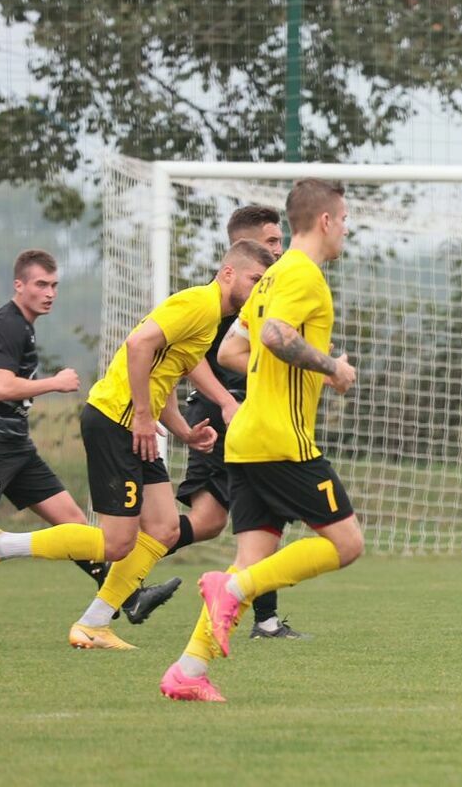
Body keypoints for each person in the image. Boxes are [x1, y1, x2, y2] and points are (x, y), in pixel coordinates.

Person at [0, 240, 273, 649]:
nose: (258, 290)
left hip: (135, 426)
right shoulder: (200, 303)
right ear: (229, 273)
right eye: (255, 280)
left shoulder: (212, 316)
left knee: (164, 529)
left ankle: (94, 624)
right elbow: (138, 345)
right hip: (115, 421)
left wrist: (183, 430)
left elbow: (167, 371)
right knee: (116, 542)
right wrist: (144, 416)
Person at [160, 178, 361, 703]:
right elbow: (274, 336)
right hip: (279, 438)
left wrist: (297, 371)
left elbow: (232, 350)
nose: (346, 229)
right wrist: (331, 368)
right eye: (344, 220)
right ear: (325, 221)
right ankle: (232, 591)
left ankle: (188, 670)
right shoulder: (302, 274)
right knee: (346, 545)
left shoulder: (270, 277)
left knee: (251, 559)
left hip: (245, 437)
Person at [160, 205, 307, 639]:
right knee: (264, 511)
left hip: (243, 413)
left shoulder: (266, 294)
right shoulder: (228, 299)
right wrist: (227, 400)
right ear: (243, 247)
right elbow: (191, 359)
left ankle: (121, 565)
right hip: (223, 414)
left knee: (211, 520)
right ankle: (261, 616)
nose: (279, 249)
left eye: (280, 241)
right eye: (271, 241)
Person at [0, 251, 109, 594]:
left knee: (73, 522)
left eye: (54, 286)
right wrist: (55, 383)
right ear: (19, 285)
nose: (50, 293)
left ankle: (127, 596)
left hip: (16, 444)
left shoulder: (3, 319)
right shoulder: (12, 326)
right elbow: (2, 388)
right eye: (41, 285)